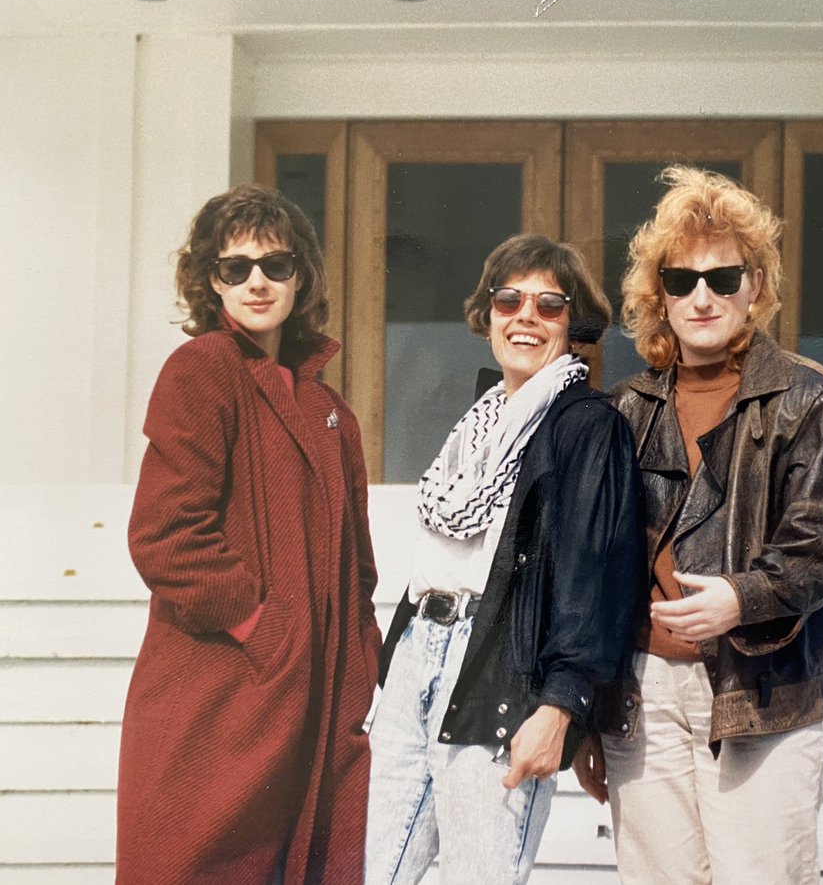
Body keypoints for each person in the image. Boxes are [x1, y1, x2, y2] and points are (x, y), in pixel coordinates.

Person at [574, 166, 823, 884]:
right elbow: (596, 567)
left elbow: (816, 549)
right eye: (681, 281)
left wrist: (740, 597)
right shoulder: (625, 407)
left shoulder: (812, 398)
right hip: (642, 695)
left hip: (758, 690)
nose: (701, 297)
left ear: (755, 287)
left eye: (723, 277)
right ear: (659, 295)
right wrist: (588, 708)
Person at [118, 184, 381, 884]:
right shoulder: (202, 370)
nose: (257, 281)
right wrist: (266, 631)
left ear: (302, 276)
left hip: (317, 711)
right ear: (211, 281)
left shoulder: (330, 409)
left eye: (276, 264)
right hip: (222, 700)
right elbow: (166, 535)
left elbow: (358, 568)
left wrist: (358, 667)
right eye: (236, 268)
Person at [364, 234, 645, 885]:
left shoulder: (586, 426)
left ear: (574, 324)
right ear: (486, 314)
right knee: (376, 871)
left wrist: (561, 705)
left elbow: (596, 580)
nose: (525, 316)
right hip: (416, 662)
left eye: (549, 305)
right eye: (508, 299)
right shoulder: (483, 423)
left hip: (499, 674)